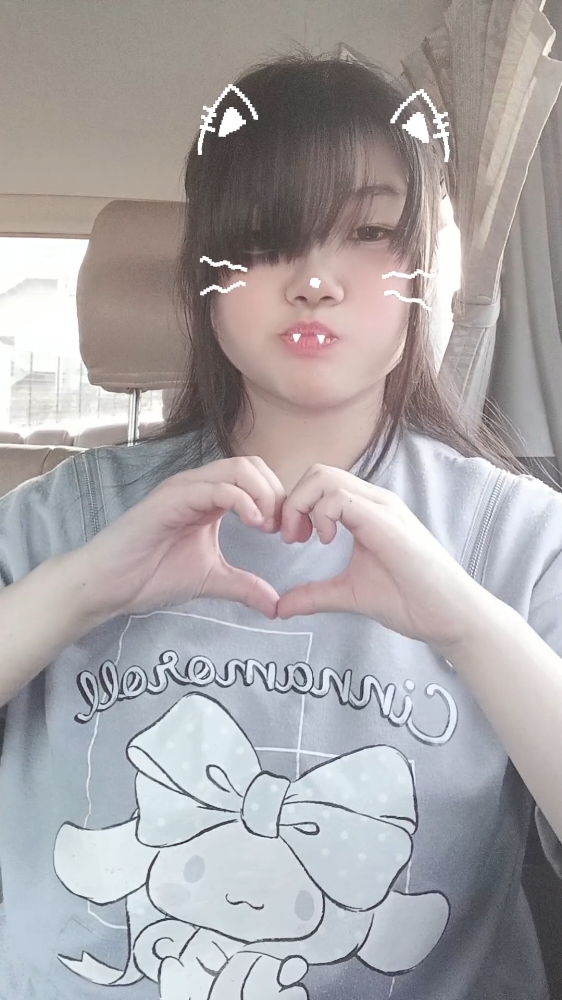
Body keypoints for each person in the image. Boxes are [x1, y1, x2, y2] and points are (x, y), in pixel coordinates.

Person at [0, 48, 561, 1000]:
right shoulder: (59, 518)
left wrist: (471, 626)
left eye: (370, 233)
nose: (314, 280)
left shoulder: (520, 539)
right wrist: (79, 590)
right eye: (264, 238)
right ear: (203, 276)